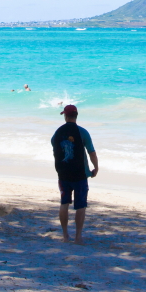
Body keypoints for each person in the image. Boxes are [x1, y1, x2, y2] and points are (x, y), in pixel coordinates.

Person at [51, 104, 99, 244]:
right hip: (80, 174)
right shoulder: (83, 132)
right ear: (76, 115)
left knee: (64, 203)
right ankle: (78, 237)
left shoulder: (58, 132)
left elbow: (54, 145)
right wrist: (95, 167)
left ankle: (65, 236)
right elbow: (91, 152)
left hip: (63, 173)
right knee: (80, 205)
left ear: (65, 116)